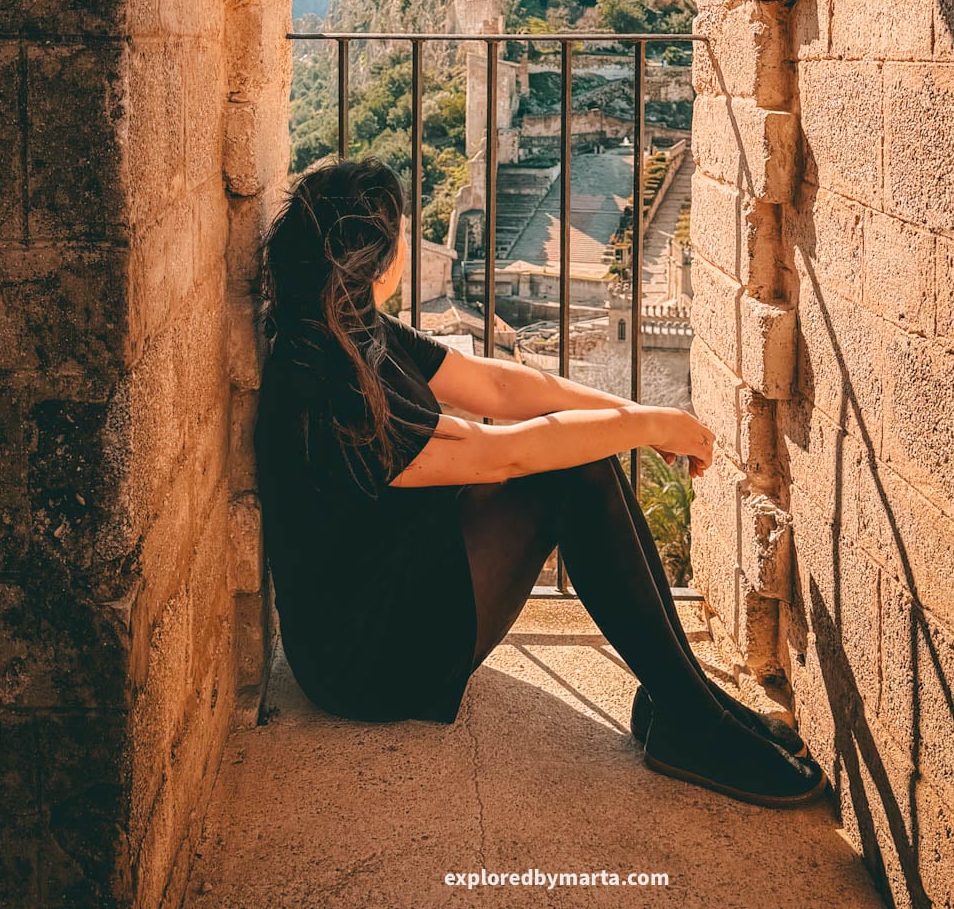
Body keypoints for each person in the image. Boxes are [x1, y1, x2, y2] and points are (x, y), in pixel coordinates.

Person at [254, 155, 826, 808]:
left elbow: (500, 386)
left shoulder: (347, 329)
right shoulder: (325, 385)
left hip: (387, 576)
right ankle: (687, 717)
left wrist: (637, 416)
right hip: (364, 661)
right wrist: (643, 426)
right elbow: (500, 455)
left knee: (581, 456)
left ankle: (682, 695)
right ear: (380, 261)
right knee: (574, 470)